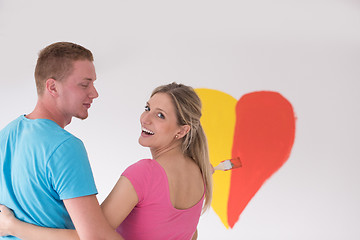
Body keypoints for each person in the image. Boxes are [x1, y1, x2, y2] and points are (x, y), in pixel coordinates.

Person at [0, 82, 213, 239]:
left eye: (160, 116)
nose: (145, 118)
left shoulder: (145, 173)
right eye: (147, 108)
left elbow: (90, 236)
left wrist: (12, 226)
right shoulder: (201, 173)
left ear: (182, 131)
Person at [0, 42, 123, 240]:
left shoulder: (5, 135)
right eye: (84, 84)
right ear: (52, 87)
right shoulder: (65, 147)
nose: (94, 93)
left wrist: (12, 227)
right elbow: (95, 238)